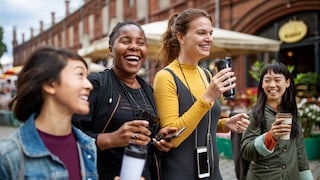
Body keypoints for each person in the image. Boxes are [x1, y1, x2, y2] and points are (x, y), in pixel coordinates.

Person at [153, 8, 250, 180]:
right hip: (180, 172)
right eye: (201, 33)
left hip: (211, 170)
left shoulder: (206, 74)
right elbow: (172, 137)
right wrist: (208, 97)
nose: (209, 39)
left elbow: (203, 119)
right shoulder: (165, 77)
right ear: (181, 37)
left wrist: (225, 124)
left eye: (210, 33)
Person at [72, 21, 176, 180]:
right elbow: (71, 136)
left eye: (141, 43)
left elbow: (149, 145)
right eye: (126, 41)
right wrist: (111, 139)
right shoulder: (95, 85)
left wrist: (160, 143)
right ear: (111, 50)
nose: (135, 47)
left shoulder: (148, 91)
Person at [0, 47, 98, 179]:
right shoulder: (8, 155)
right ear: (50, 85)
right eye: (80, 75)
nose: (89, 85)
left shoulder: (87, 146)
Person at [240, 62, 313, 180]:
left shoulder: (293, 112)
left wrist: (306, 176)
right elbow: (246, 151)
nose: (272, 85)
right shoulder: (256, 114)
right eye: (267, 80)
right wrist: (270, 136)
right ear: (262, 84)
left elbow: (299, 150)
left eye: (277, 80)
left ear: (287, 82)